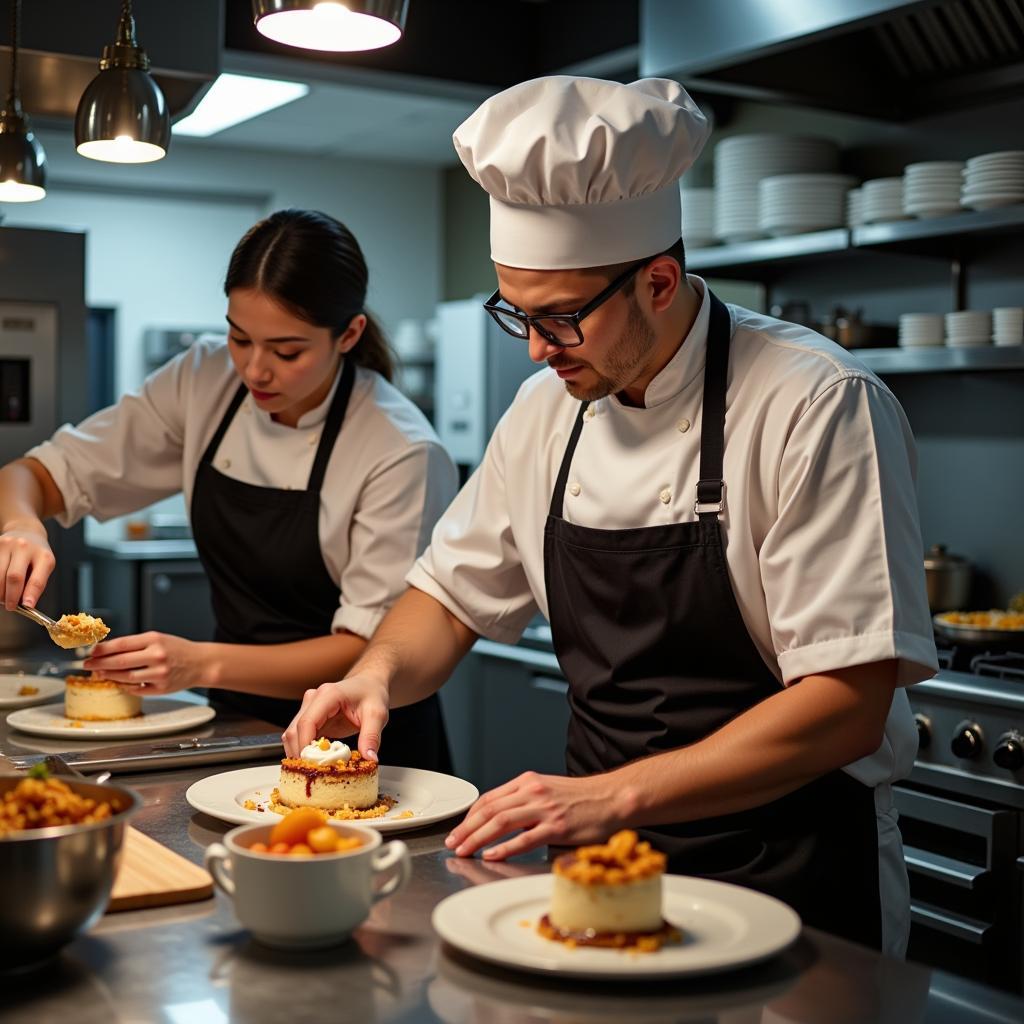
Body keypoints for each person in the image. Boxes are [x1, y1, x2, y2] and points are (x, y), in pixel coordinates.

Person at [283, 78, 938, 953]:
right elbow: (446, 597)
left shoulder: (816, 404)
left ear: (659, 281)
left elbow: (848, 702)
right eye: (516, 311)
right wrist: (377, 676)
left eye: (559, 319)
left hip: (793, 872)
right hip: (597, 865)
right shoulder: (544, 411)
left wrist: (612, 792)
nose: (533, 347)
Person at [0, 208, 457, 769]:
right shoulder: (203, 378)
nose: (255, 370)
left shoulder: (400, 448)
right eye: (239, 338)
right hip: (235, 723)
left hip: (362, 739)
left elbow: (368, 647)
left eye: (287, 352)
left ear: (349, 334)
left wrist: (201, 664)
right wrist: (22, 523)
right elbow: (35, 474)